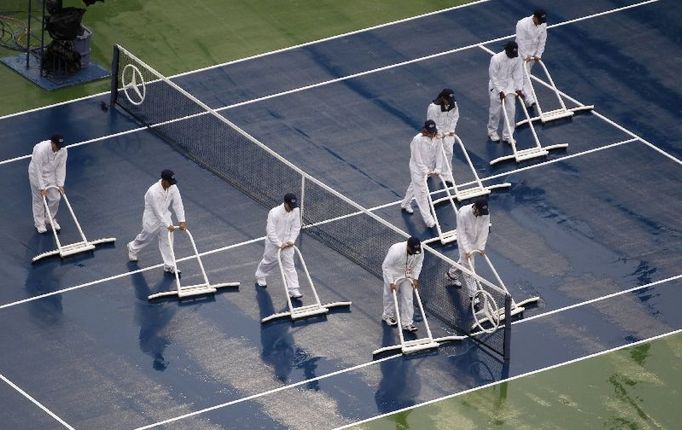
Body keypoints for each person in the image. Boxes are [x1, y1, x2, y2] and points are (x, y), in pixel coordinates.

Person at [127, 170, 187, 275]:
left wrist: (182, 220)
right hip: (152, 219)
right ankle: (132, 247)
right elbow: (157, 212)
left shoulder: (173, 187)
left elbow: (178, 204)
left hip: (165, 216)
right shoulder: (153, 192)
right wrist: (168, 225)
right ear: (164, 181)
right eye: (170, 182)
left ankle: (169, 266)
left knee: (167, 241)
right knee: (145, 238)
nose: (172, 184)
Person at [255, 193, 302, 299]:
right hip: (273, 244)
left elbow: (296, 226)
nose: (292, 208)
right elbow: (270, 232)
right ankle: (260, 275)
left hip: (288, 244)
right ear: (285, 203)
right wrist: (280, 244)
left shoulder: (295, 210)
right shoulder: (274, 213)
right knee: (269, 262)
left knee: (290, 266)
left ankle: (293, 289)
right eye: (290, 205)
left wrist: (291, 240)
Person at [400, 120, 442, 228]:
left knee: (414, 185)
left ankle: (405, 204)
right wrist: (425, 170)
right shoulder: (417, 140)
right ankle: (429, 220)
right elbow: (416, 158)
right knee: (422, 193)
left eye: (433, 131)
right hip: (417, 169)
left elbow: (439, 154)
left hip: (428, 168)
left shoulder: (437, 138)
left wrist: (438, 168)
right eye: (430, 131)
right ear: (425, 130)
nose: (432, 134)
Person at [447, 197, 490, 301]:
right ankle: (474, 296)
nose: (482, 214)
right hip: (464, 241)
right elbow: (461, 233)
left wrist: (481, 247)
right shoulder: (463, 213)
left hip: (475, 240)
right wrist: (466, 250)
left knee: (465, 262)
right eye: (480, 211)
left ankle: (451, 274)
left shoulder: (485, 213)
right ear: (475, 208)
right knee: (469, 270)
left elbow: (485, 229)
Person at [381, 236, 424, 332]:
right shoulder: (396, 251)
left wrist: (415, 278)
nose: (414, 252)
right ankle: (388, 315)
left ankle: (407, 323)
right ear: (408, 246)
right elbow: (386, 266)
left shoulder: (419, 250)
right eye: (412, 250)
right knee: (390, 296)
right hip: (393, 273)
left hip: (408, 274)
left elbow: (418, 264)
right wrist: (391, 282)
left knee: (408, 298)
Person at [28, 134, 67, 233]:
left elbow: (61, 167)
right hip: (36, 175)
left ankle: (49, 218)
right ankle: (39, 224)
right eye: (57, 145)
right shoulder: (41, 150)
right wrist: (42, 187)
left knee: (56, 198)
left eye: (60, 146)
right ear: (52, 143)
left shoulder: (63, 150)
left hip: (51, 174)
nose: (59, 148)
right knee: (39, 200)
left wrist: (60, 184)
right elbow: (38, 169)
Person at [487, 41, 524, 144]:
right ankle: (492, 132)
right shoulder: (496, 59)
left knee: (511, 111)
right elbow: (493, 77)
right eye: (512, 54)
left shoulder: (517, 58)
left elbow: (518, 74)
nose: (514, 56)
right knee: (495, 112)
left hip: (509, 86)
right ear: (506, 51)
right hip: (496, 86)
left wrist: (519, 88)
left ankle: (507, 135)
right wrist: (500, 91)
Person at [516, 9, 548, 109]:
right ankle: (530, 99)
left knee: (523, 75)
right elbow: (520, 41)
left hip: (533, 54)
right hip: (521, 54)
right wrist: (525, 56)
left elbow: (542, 39)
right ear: (534, 17)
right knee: (526, 76)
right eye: (539, 20)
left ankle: (517, 88)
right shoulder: (522, 24)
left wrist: (539, 54)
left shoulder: (543, 24)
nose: (540, 23)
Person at [427, 88, 460, 180]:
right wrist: (438, 133)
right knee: (433, 152)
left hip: (448, 132)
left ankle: (447, 174)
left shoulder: (453, 104)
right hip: (436, 133)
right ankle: (428, 170)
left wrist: (452, 129)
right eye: (447, 100)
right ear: (442, 98)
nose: (449, 103)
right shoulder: (433, 108)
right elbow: (431, 122)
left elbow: (455, 116)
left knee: (449, 152)